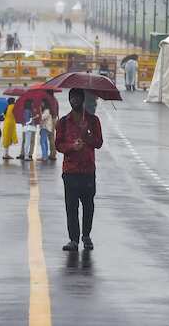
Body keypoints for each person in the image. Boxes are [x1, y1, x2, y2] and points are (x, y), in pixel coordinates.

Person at [56, 88, 104, 251]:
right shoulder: (63, 122)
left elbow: (99, 143)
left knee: (88, 206)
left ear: (82, 100)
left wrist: (87, 135)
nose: (74, 101)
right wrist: (72, 146)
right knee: (71, 207)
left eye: (77, 98)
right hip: (70, 171)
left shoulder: (93, 121)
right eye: (72, 98)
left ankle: (86, 235)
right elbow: (58, 145)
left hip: (88, 170)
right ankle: (73, 239)